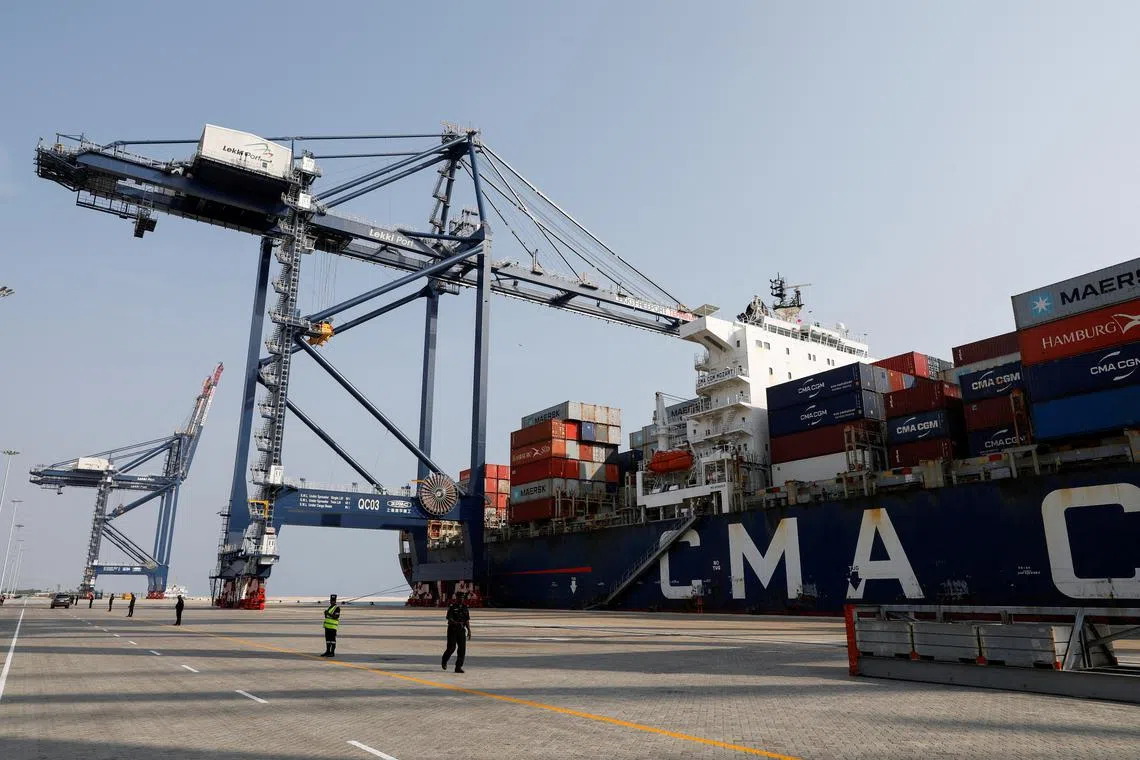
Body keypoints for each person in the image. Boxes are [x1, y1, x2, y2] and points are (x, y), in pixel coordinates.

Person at [442, 591, 472, 673]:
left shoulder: (465, 608)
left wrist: (469, 630)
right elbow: (449, 618)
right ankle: (444, 660)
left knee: (462, 649)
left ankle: (458, 667)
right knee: (451, 648)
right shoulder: (452, 607)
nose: (461, 599)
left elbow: (466, 620)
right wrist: (456, 623)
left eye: (462, 598)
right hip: (452, 630)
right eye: (460, 598)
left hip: (461, 630)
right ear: (457, 598)